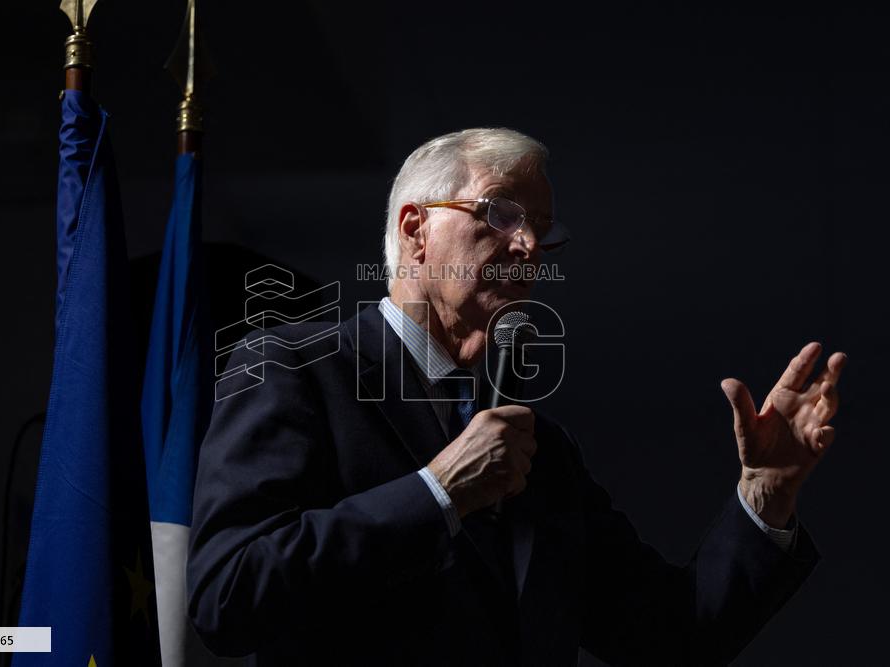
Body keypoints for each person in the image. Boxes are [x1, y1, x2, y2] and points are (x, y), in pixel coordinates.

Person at [187, 128, 846, 665]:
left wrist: (765, 497)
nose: (528, 246)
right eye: (500, 213)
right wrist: (438, 491)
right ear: (415, 230)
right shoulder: (294, 368)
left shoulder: (545, 453)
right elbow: (229, 593)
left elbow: (673, 639)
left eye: (541, 229)